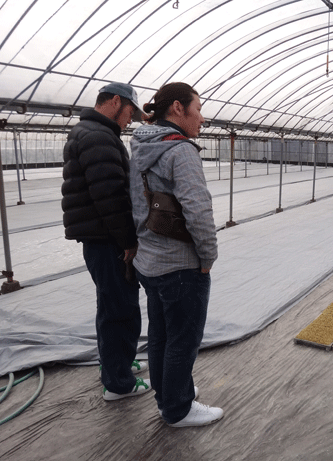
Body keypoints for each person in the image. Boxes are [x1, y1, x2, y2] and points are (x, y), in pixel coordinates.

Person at [129, 82, 223, 428]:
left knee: (161, 336)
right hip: (180, 265)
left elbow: (135, 205)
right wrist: (208, 256)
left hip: (149, 262)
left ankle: (168, 394)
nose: (202, 117)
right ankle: (178, 409)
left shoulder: (140, 146)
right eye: (197, 108)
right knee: (183, 338)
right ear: (179, 109)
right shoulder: (181, 151)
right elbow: (198, 210)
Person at [62, 82, 151, 400]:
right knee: (121, 309)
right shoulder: (99, 137)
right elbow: (110, 197)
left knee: (111, 305)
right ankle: (118, 383)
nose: (130, 121)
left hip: (99, 236)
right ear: (116, 102)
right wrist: (128, 241)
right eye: (130, 113)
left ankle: (118, 365)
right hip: (107, 238)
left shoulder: (90, 131)